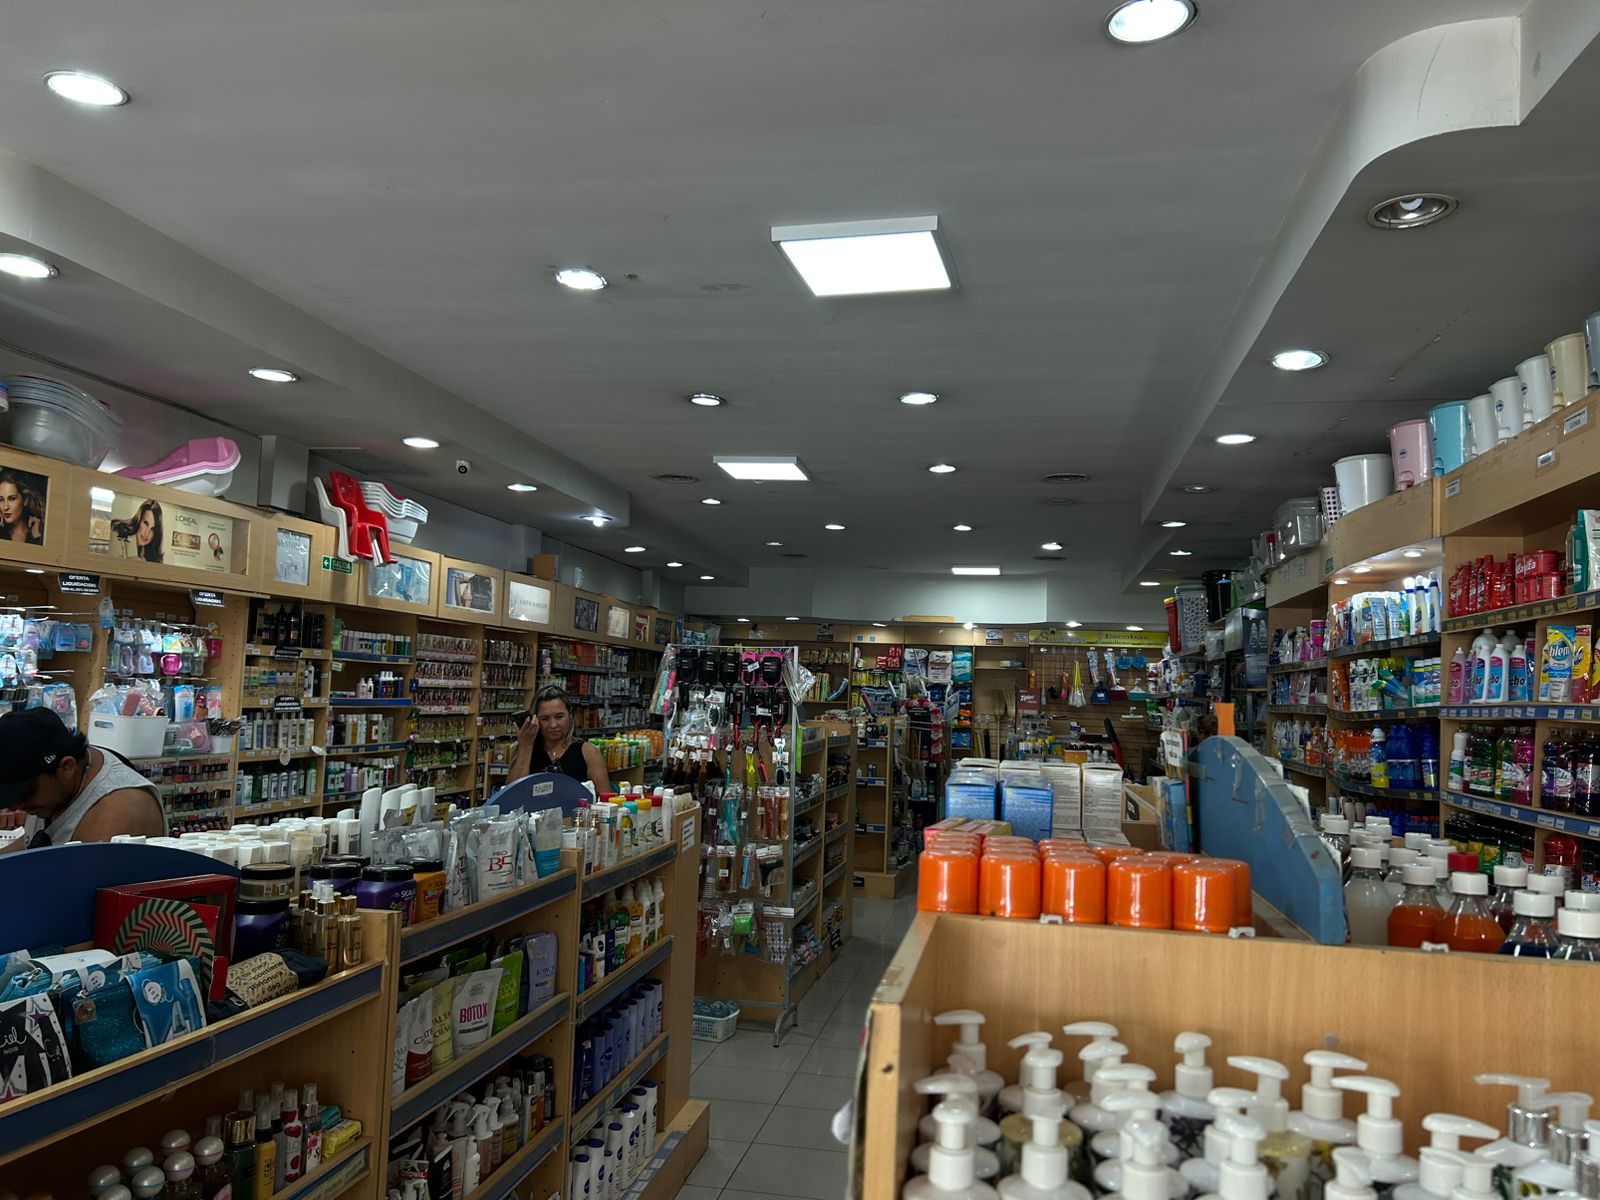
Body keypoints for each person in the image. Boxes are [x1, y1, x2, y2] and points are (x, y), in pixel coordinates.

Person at [0, 708, 165, 848]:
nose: (15, 807)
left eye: (26, 792)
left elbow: (88, 876)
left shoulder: (120, 810)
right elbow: (29, 847)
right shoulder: (57, 787)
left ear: (67, 767)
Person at [508, 685, 613, 793]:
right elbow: (511, 795)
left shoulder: (589, 752)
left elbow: (605, 798)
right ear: (535, 720)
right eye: (545, 718)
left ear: (570, 716)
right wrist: (525, 747)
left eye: (559, 717)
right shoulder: (526, 750)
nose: (553, 725)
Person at [0, 469, 44, 545]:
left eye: (12, 499)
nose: (5, 507)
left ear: (25, 500)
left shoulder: (38, 532)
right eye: (1, 499)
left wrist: (37, 536)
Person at [112, 499, 164, 563]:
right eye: (146, 523)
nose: (147, 533)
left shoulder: (149, 553)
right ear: (139, 520)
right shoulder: (118, 534)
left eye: (152, 529)